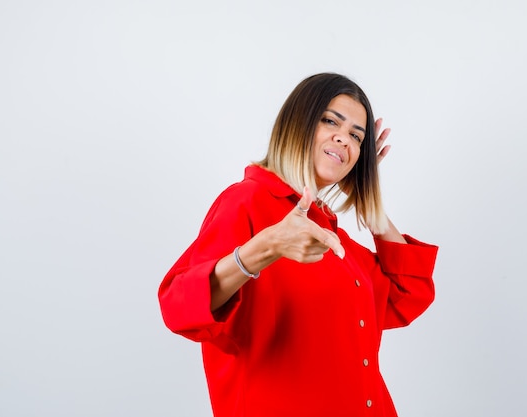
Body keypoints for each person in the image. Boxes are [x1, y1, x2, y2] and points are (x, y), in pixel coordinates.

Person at [158, 73, 438, 417]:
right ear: (297, 122)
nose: (344, 138)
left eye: (356, 135)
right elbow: (178, 307)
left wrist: (370, 204)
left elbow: (407, 292)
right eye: (330, 121)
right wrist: (262, 250)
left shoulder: (330, 236)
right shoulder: (246, 202)